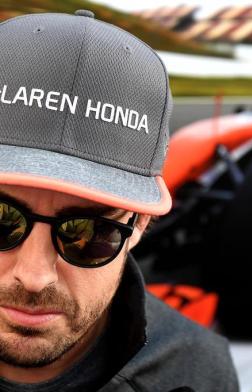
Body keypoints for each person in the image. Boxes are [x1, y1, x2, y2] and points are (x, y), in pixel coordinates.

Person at [0, 9, 239, 392]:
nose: (34, 276)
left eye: (92, 233)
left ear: (139, 225)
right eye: (2, 220)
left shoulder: (197, 372)